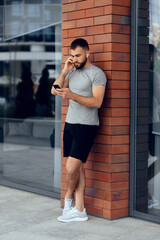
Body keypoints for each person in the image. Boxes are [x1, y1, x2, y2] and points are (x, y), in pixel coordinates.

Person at [51, 38, 107, 222]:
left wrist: (72, 95)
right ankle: (80, 209)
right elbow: (55, 90)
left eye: (78, 55)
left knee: (71, 168)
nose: (75, 59)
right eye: (72, 55)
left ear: (87, 53)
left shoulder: (97, 73)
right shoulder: (72, 71)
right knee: (78, 168)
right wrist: (65, 70)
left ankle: (68, 201)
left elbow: (97, 102)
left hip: (86, 126)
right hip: (70, 124)